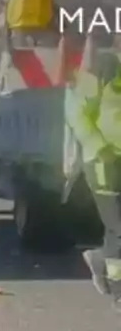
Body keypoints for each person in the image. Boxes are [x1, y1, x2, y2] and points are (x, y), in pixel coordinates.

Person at [67, 34, 121, 307]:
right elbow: (77, 111)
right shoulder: (100, 69)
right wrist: (100, 147)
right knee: (119, 226)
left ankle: (100, 259)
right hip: (103, 161)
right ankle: (118, 288)